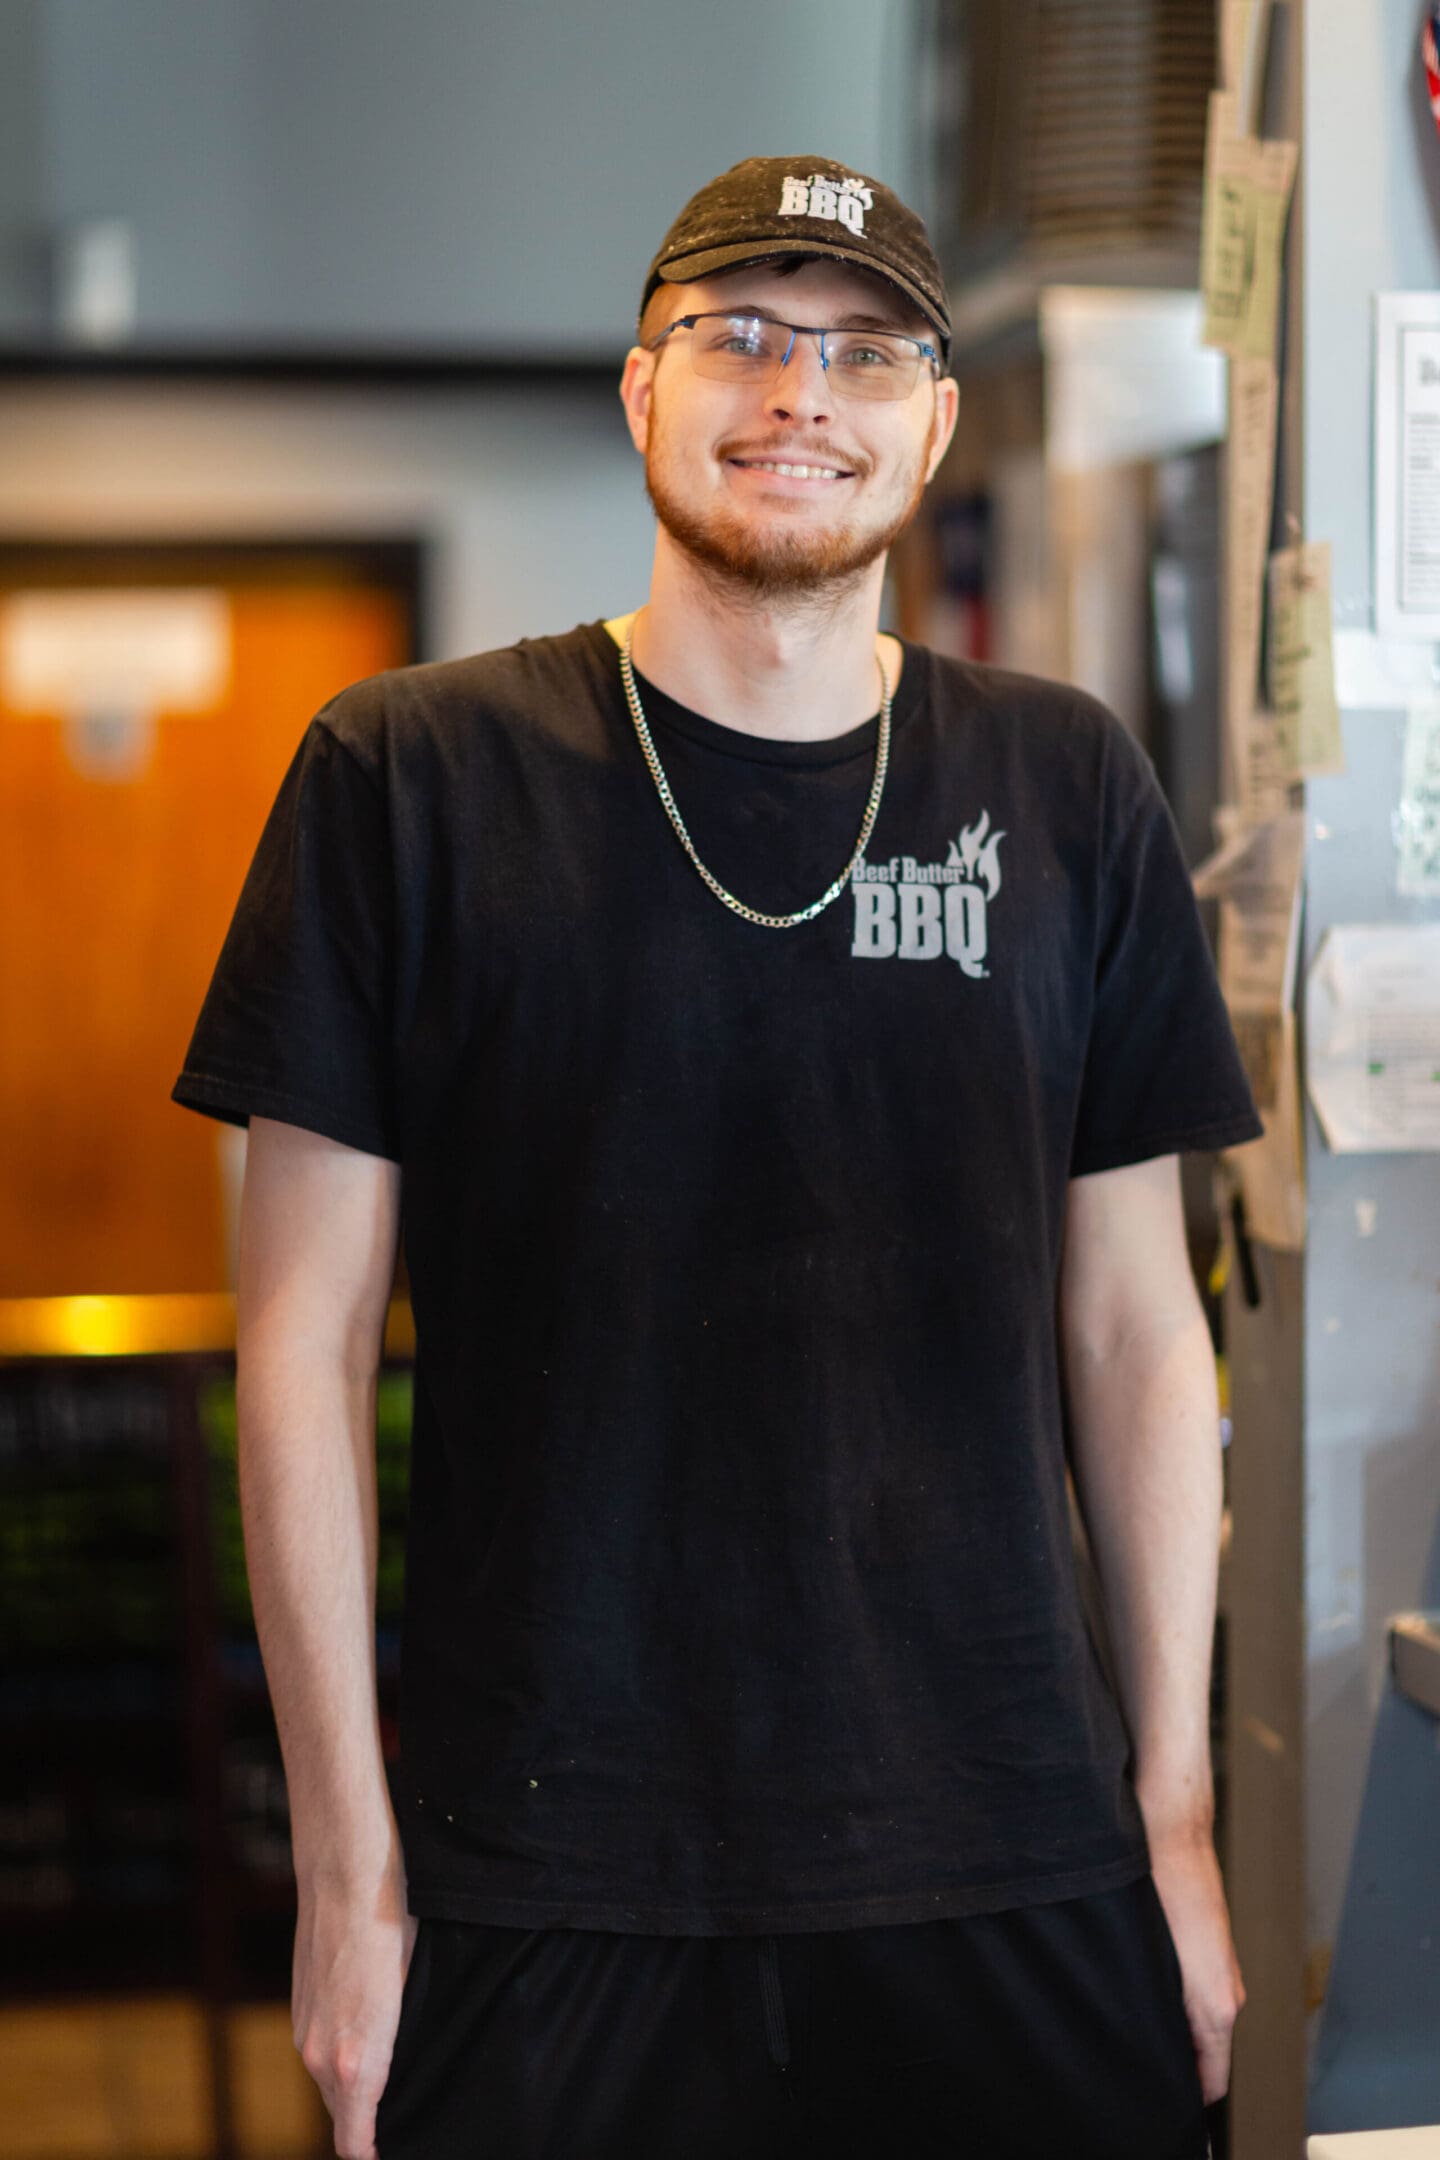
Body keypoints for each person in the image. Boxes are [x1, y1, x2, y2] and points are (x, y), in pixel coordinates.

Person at [172, 154, 1262, 2160]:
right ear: (639, 387)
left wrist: (1178, 1826)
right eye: (741, 336)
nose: (799, 396)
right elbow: (303, 1351)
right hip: (550, 1866)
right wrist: (350, 1872)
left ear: (935, 420)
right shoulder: (405, 779)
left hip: (1015, 1850)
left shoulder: (1064, 785)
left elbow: (1132, 1330)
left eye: (863, 352)